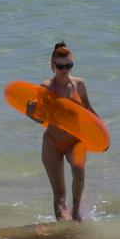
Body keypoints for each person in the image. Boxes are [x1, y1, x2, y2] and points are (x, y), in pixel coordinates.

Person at [28, 42, 97, 221]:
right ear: (52, 66)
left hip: (75, 140)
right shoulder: (45, 88)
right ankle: (63, 232)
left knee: (78, 171)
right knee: (59, 194)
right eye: (60, 66)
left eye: (68, 65)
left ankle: (75, 212)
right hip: (53, 141)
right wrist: (30, 115)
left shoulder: (79, 85)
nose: (64, 69)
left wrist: (100, 134)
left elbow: (89, 110)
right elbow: (41, 119)